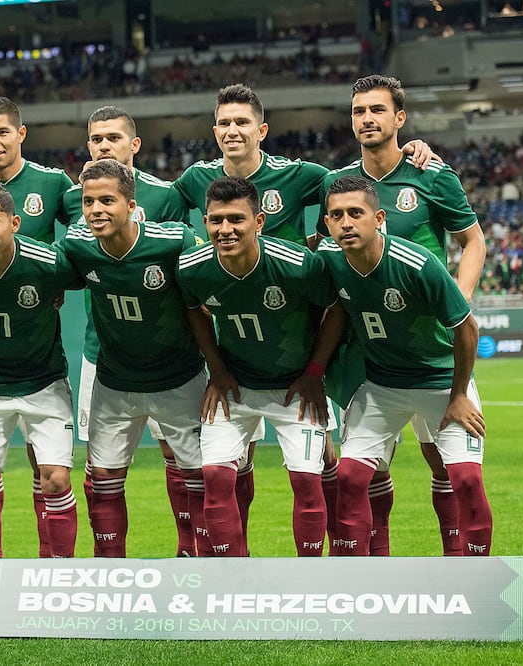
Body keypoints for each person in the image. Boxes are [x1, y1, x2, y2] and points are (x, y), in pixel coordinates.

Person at [174, 83, 431, 543]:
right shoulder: (196, 180)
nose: (233, 131)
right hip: (241, 339)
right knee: (239, 461)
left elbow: (359, 185)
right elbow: (144, 201)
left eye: (243, 122)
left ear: (262, 130)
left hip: (307, 334)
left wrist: (407, 149)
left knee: (335, 457)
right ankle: (234, 566)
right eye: (226, 123)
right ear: (214, 131)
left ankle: (351, 550)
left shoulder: (301, 175)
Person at [313, 74, 487, 556]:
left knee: (440, 459)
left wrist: (461, 297)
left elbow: (473, 241)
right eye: (358, 112)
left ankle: (458, 563)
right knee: (369, 465)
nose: (367, 119)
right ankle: (377, 562)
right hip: (370, 348)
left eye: (377, 110)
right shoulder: (338, 185)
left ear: (399, 118)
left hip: (430, 337)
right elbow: (325, 254)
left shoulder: (432, 175)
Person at [177, 176, 346, 557]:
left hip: (295, 389)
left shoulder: (298, 265)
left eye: (236, 219)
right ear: (205, 221)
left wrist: (315, 373)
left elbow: (334, 309)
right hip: (237, 386)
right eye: (216, 220)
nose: (225, 230)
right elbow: (194, 311)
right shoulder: (192, 268)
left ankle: (310, 576)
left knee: (307, 479)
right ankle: (232, 576)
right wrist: (216, 370)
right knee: (215, 478)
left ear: (259, 221)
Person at [56, 159, 215, 557]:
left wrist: (221, 370)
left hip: (180, 380)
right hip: (115, 383)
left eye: (107, 200)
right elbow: (40, 270)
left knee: (200, 477)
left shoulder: (174, 241)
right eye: (88, 202)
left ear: (131, 205)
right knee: (103, 478)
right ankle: (111, 570)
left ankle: (202, 561)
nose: (95, 210)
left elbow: (210, 298)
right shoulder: (77, 246)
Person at [0, 96, 81, 557]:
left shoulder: (51, 181)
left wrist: (55, 278)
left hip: (36, 328)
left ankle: (51, 562)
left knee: (44, 461)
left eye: (2, 132)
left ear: (20, 134)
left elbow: (82, 232)